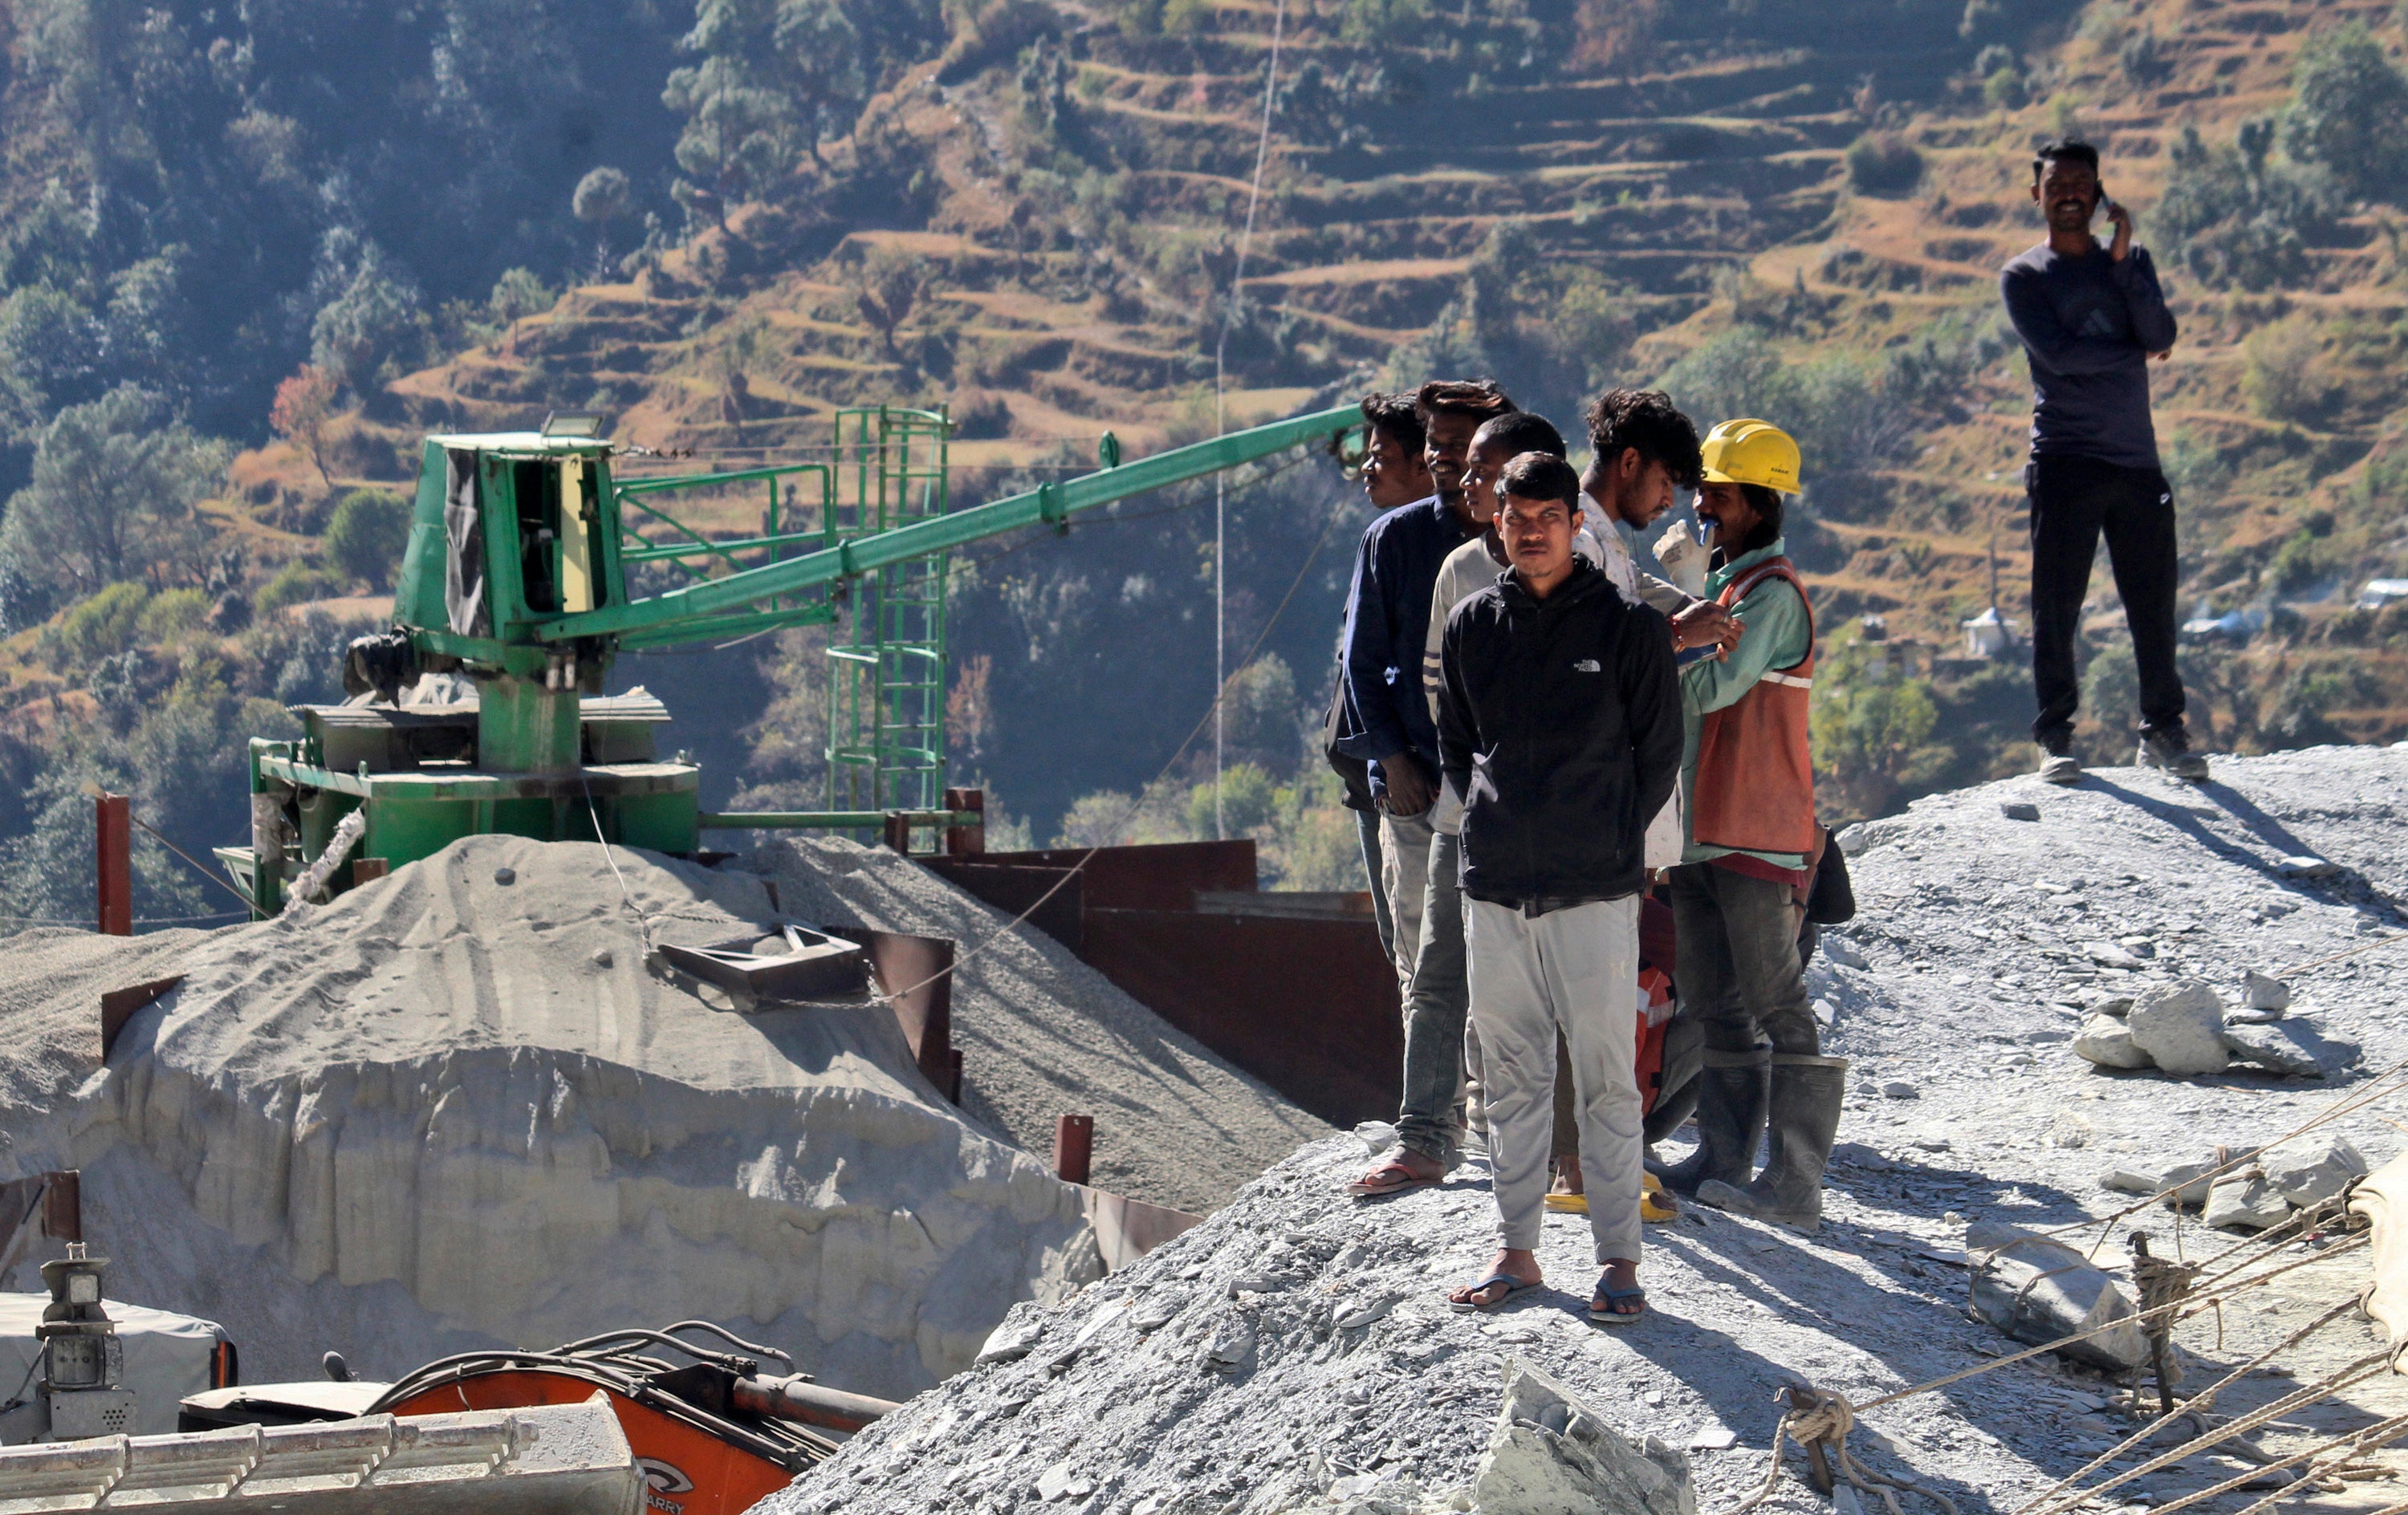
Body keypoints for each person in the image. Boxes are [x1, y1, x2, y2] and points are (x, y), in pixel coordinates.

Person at [1435, 452, 1681, 1322]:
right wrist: (1497, 832)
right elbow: (1460, 746)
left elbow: (1658, 757)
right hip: (1496, 887)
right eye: (1515, 516)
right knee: (1510, 1075)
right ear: (1495, 523)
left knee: (1609, 1077)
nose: (1531, 530)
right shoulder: (1472, 625)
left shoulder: (1628, 629)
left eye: (1547, 515)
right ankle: (1518, 1252)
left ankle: (1619, 1259)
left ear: (1576, 524)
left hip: (1595, 892)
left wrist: (1605, 835)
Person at [1352, 408, 1572, 1200]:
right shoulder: (1457, 572)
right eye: (1466, 467)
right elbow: (1433, 691)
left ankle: (1554, 1147)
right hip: (1462, 811)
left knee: (1546, 980)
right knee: (1440, 970)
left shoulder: (1591, 573)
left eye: (1484, 470)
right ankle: (1425, 1137)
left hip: (1553, 820)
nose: (1467, 483)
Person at [1663, 419, 1849, 1233]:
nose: (1703, 503)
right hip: (1704, 830)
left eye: (1720, 491)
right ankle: (1726, 1157)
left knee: (1776, 999)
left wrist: (1644, 673)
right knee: (1713, 1001)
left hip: (1757, 831)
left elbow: (1717, 686)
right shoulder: (1735, 591)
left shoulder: (1771, 598)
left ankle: (1796, 1181)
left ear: (1760, 502)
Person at [2001, 139, 2201, 786]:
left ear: (2099, 192)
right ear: (2038, 194)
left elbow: (2162, 336)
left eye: (2081, 182)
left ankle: (2164, 731)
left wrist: (2122, 264)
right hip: (2064, 460)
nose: (2069, 193)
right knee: (2057, 607)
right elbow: (2059, 355)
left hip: (2137, 462)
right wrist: (2132, 351)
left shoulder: (2130, 260)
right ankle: (2054, 737)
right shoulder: (2024, 276)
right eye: (2057, 182)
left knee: (2153, 602)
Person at [1340, 380, 1515, 1008]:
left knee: (1505, 982)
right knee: (1426, 975)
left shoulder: (1528, 544)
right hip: (1416, 793)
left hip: (1504, 802)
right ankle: (1435, 1111)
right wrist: (1393, 761)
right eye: (1436, 443)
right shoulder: (1393, 540)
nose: (1444, 457)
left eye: (1458, 444)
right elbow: (1361, 664)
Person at [1327, 392, 1437, 965]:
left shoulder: (1449, 551)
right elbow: (1359, 665)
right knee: (1406, 951)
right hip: (1382, 781)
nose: (1367, 469)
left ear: (1425, 462)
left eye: (1381, 456)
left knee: (1423, 957)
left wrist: (1395, 760)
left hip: (1415, 783)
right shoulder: (1385, 544)